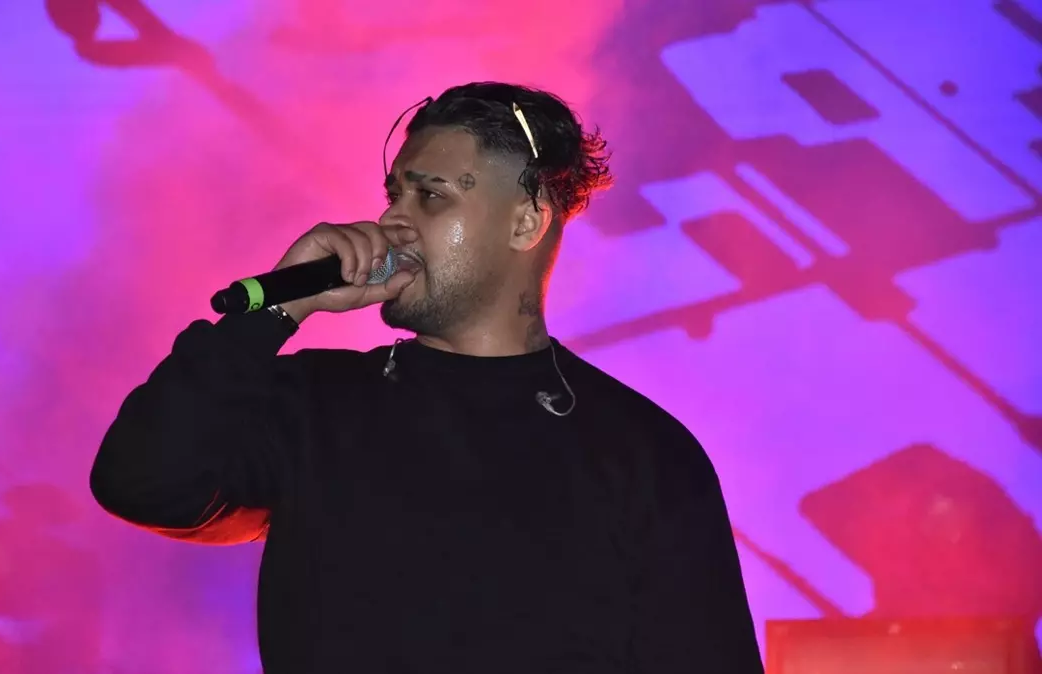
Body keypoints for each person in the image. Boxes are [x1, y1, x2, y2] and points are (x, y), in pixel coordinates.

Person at [90, 81, 764, 673]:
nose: (393, 221)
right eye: (395, 194)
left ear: (527, 221)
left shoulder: (641, 451)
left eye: (431, 196)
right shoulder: (315, 402)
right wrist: (274, 312)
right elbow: (143, 482)